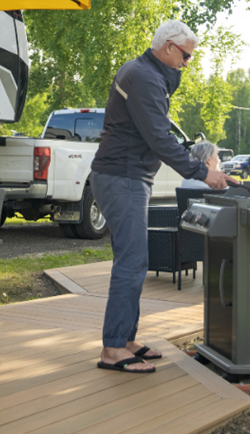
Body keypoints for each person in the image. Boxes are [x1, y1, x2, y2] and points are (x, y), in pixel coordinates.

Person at [90, 20, 239, 374]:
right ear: (169, 47)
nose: (187, 63)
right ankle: (113, 349)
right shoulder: (144, 77)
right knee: (132, 262)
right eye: (186, 56)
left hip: (126, 176)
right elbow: (159, 138)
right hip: (123, 177)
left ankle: (126, 339)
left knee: (133, 261)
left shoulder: (144, 72)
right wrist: (203, 172)